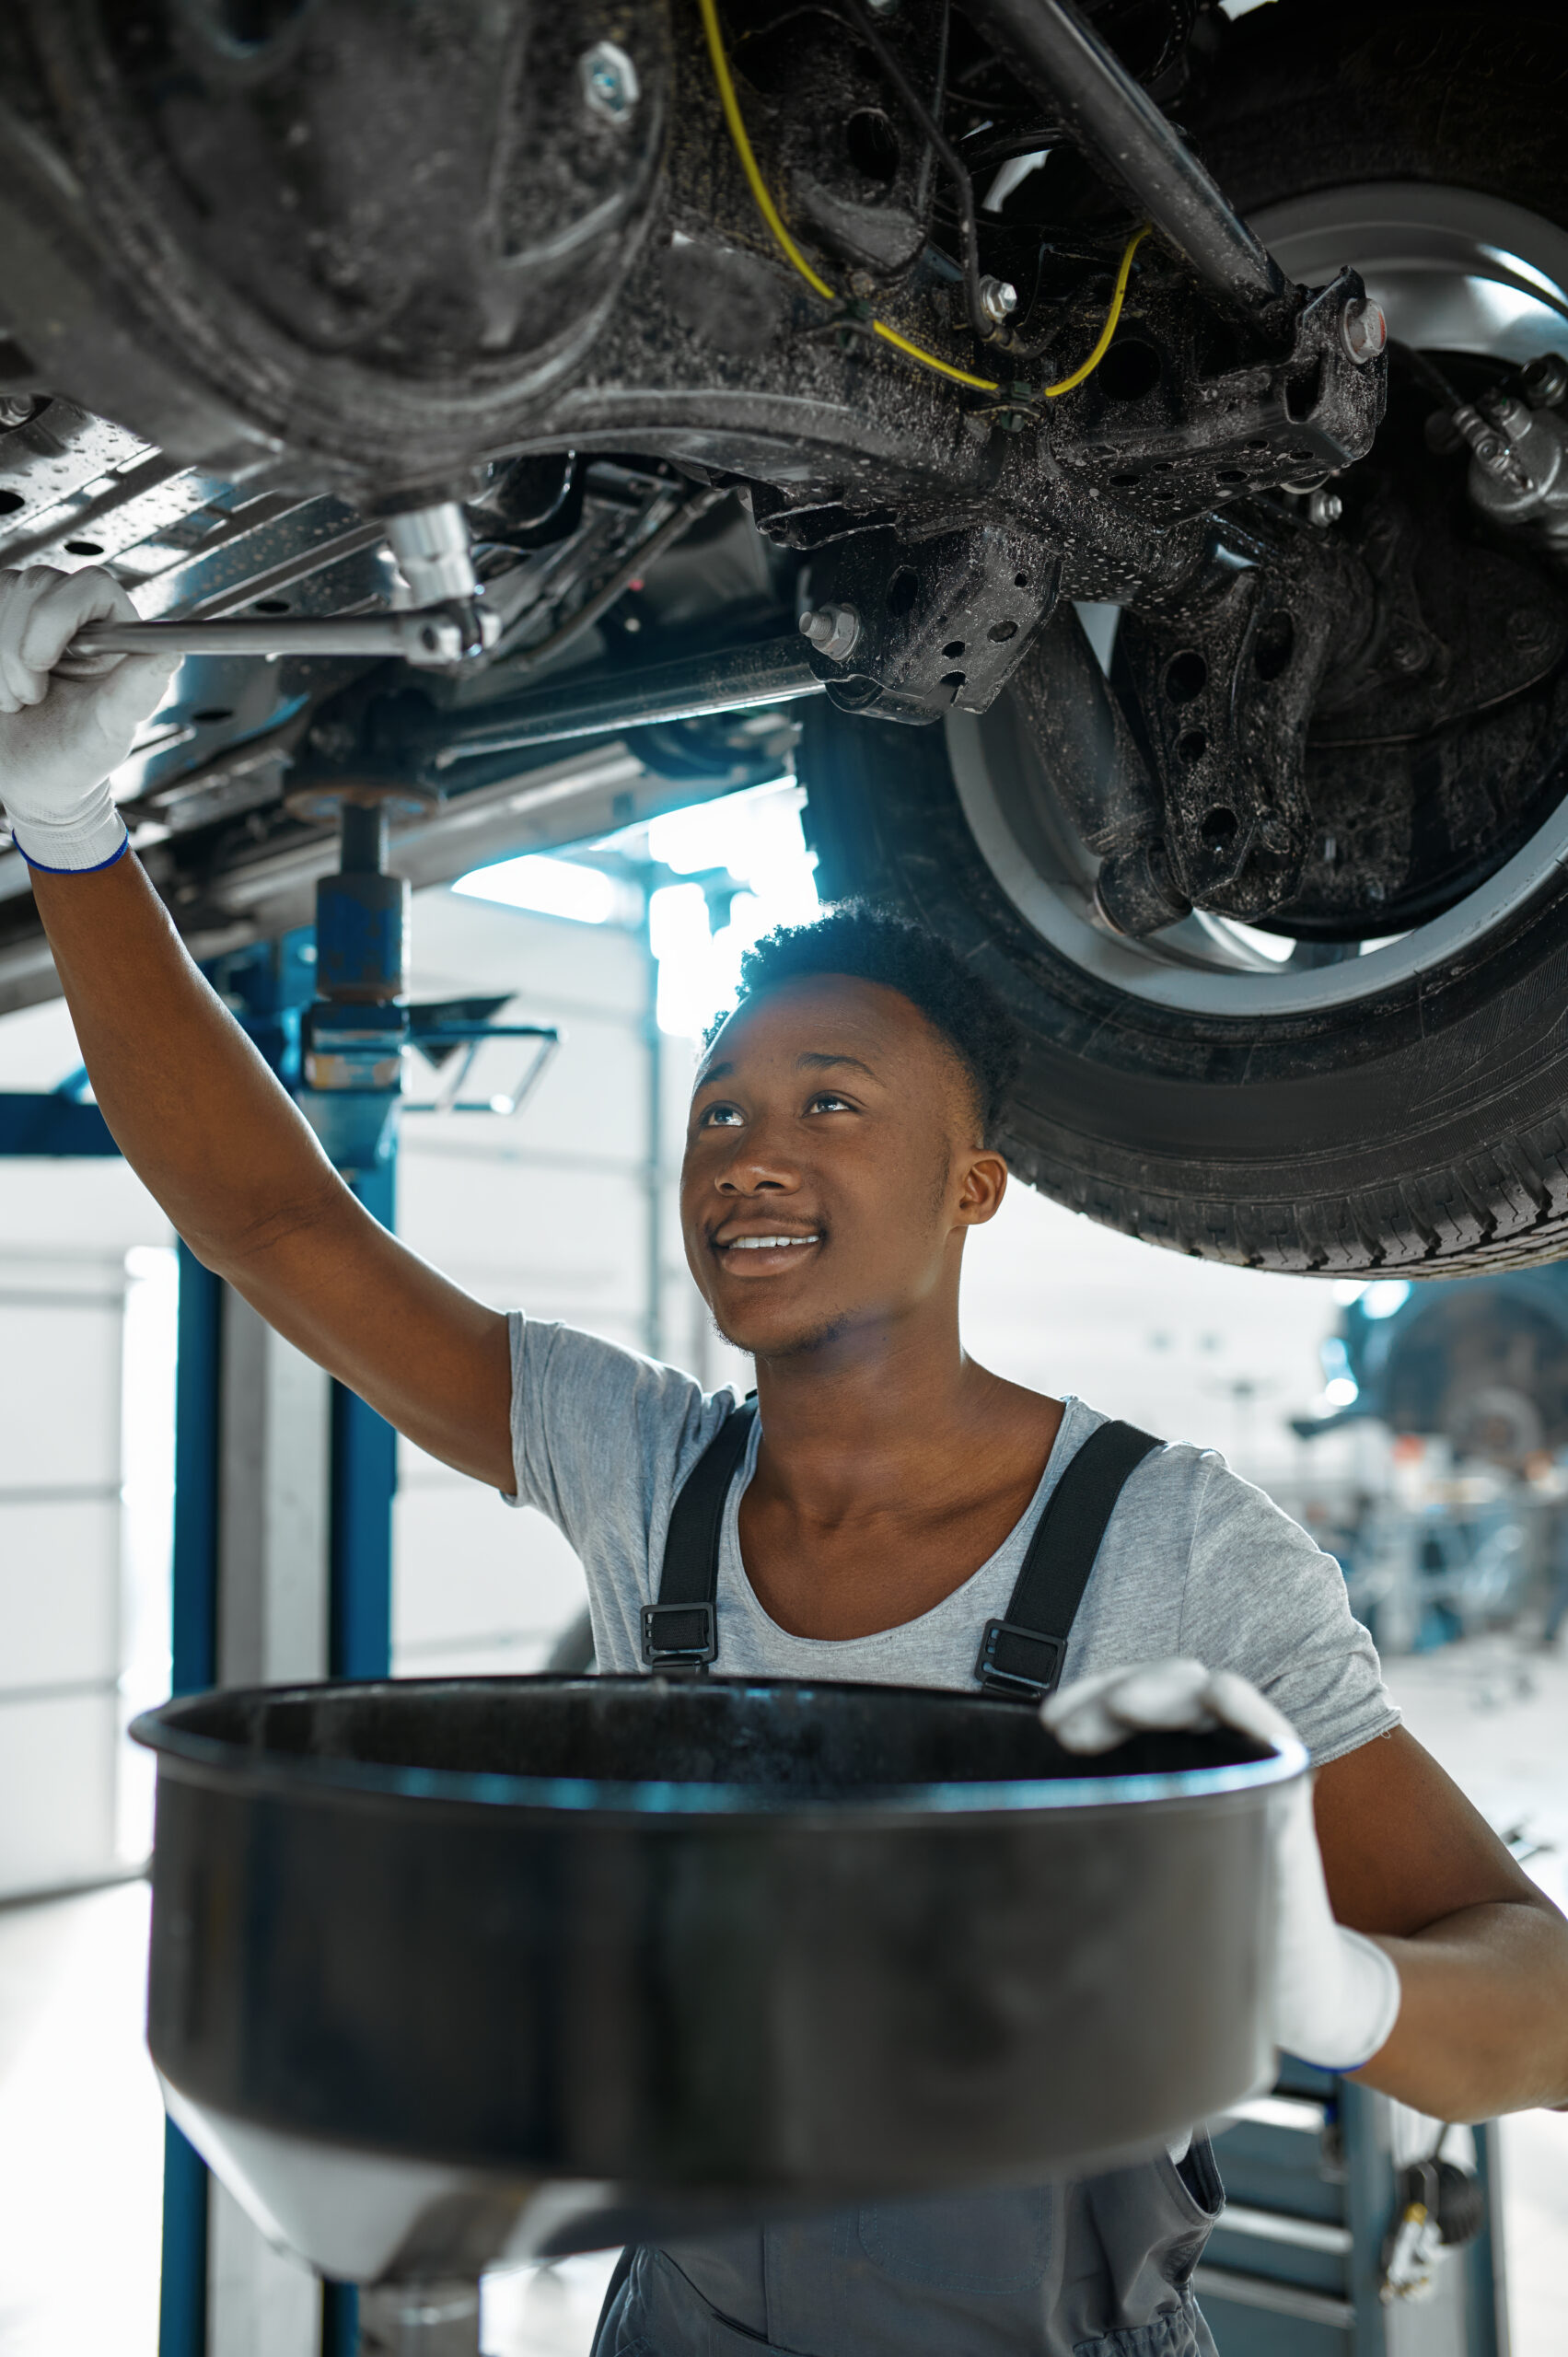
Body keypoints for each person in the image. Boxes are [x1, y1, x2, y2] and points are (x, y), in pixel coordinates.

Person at [5, 563, 1568, 2356]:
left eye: (833, 1101)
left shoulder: (1179, 1549)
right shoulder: (644, 1473)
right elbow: (279, 1220)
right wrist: (71, 829)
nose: (751, 1148)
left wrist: (1336, 1981)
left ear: (972, 1184)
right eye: (722, 1107)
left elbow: (1549, 2003)